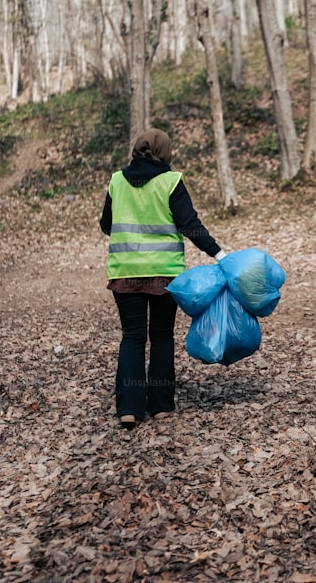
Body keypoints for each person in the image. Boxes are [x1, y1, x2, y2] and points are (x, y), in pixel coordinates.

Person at [100, 128, 227, 430]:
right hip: (164, 275)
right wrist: (219, 254)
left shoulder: (117, 180)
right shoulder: (171, 182)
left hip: (125, 273)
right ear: (165, 152)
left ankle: (129, 408)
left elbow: (106, 224)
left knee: (132, 338)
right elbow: (189, 225)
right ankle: (160, 406)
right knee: (161, 337)